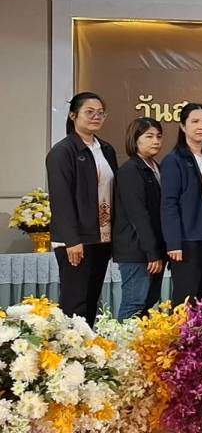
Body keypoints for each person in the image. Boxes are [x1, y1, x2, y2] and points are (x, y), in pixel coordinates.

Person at [46, 91, 117, 326]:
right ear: (73, 115)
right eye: (90, 112)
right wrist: (72, 240)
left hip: (101, 236)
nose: (96, 116)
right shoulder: (63, 151)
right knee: (74, 301)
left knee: (91, 299)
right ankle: (69, 347)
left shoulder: (106, 149)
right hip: (75, 240)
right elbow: (61, 199)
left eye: (100, 113)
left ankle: (88, 346)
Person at [161, 102, 202, 305]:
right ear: (183, 126)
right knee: (186, 296)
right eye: (195, 121)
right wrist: (173, 243)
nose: (201, 126)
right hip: (187, 237)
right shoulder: (174, 160)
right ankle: (182, 328)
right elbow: (169, 204)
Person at [112, 117, 165, 320]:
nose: (156, 141)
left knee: (148, 303)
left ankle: (141, 341)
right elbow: (138, 215)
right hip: (136, 250)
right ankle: (122, 341)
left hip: (153, 248)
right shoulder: (130, 170)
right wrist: (152, 253)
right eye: (149, 136)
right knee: (134, 303)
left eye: (158, 136)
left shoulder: (156, 167)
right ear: (135, 140)